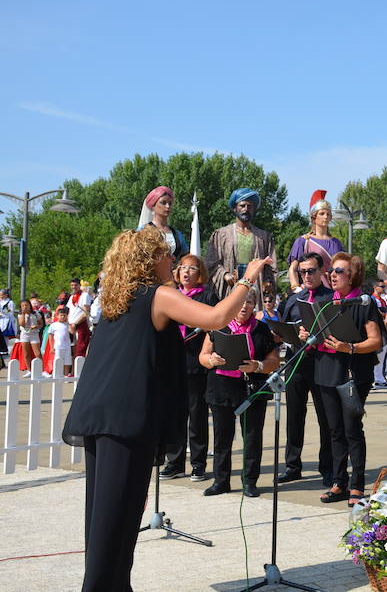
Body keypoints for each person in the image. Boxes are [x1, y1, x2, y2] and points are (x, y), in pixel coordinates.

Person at [61, 226, 272, 590]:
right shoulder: (155, 294)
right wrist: (247, 279)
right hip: (125, 417)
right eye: (165, 254)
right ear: (149, 260)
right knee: (116, 517)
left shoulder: (118, 296)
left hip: (100, 412)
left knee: (108, 516)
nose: (172, 260)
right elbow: (216, 318)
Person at [313, 252, 383, 505]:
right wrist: (305, 331)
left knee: (352, 429)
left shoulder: (364, 303)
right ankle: (338, 482)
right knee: (334, 431)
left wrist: (350, 348)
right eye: (332, 270)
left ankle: (357, 485)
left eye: (339, 271)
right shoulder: (326, 302)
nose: (332, 274)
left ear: (352, 275)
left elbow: (375, 341)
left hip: (354, 372)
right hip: (326, 369)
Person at [199, 288, 280, 498]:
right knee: (222, 437)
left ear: (255, 305)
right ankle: (221, 481)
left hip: (251, 388)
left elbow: (274, 361)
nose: (244, 306)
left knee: (252, 436)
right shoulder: (218, 325)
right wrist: (211, 360)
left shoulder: (261, 329)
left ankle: (249, 482)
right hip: (221, 386)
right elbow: (203, 355)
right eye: (241, 302)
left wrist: (259, 366)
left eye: (250, 302)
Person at [158, 254, 220, 482]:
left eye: (192, 268)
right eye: (182, 268)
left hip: (196, 363)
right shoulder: (170, 295)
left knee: (197, 416)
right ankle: (174, 463)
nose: (186, 272)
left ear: (200, 272)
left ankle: (198, 464)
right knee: (174, 414)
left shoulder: (207, 296)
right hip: (173, 361)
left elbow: (216, 326)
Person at [278, 252, 334, 486]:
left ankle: (328, 467)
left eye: (311, 271)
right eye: (303, 271)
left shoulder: (331, 297)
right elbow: (281, 327)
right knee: (294, 415)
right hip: (295, 361)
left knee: (326, 417)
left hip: (322, 362)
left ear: (322, 272)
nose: (307, 275)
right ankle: (293, 465)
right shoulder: (293, 299)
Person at [205, 187, 277, 300]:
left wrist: (267, 281)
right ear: (235, 208)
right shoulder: (221, 235)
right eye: (242, 206)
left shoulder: (264, 237)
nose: (246, 209)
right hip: (229, 288)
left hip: (255, 288)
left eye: (249, 206)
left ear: (254, 209)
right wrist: (224, 274)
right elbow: (210, 263)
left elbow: (272, 265)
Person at [288, 189, 345, 290]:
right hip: (310, 290)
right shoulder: (304, 241)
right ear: (314, 217)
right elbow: (293, 268)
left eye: (328, 214)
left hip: (333, 291)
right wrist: (295, 287)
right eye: (322, 214)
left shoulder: (336, 243)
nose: (325, 217)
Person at [138, 186, 188, 259]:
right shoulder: (143, 231)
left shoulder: (177, 234)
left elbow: (186, 258)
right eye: (163, 203)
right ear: (153, 205)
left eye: (170, 203)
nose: (167, 206)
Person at [66, 277, 93, 357]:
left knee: (80, 349)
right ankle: (73, 369)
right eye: (72, 285)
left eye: (75, 285)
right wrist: (69, 324)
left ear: (79, 285)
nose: (73, 287)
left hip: (80, 325)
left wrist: (75, 324)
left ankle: (79, 368)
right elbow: (70, 311)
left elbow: (86, 312)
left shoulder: (85, 296)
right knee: (71, 350)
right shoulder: (71, 297)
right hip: (71, 326)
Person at [47, 306, 73, 376]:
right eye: (61, 315)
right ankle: (57, 374)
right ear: (57, 316)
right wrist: (52, 347)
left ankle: (66, 375)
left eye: (64, 315)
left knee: (67, 362)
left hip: (67, 346)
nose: (63, 317)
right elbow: (50, 336)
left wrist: (68, 323)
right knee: (58, 361)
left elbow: (72, 332)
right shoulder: (53, 325)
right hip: (58, 346)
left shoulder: (67, 324)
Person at [17, 299, 44, 366]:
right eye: (22, 306)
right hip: (25, 334)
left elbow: (41, 324)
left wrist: (36, 326)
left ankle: (41, 369)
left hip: (34, 334)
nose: (25, 307)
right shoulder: (20, 314)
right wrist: (23, 314)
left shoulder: (35, 313)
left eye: (26, 305)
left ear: (30, 305)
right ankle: (29, 370)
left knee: (37, 353)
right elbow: (22, 324)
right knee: (26, 354)